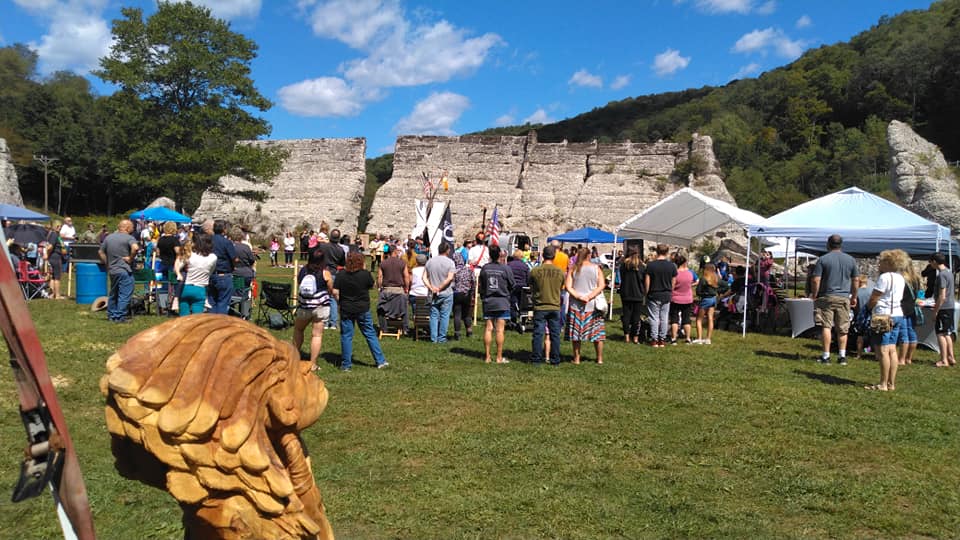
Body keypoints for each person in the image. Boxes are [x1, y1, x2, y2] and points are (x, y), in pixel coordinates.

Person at [334, 252, 389, 371]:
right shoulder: (365, 274)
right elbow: (372, 285)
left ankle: (346, 365)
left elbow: (335, 291)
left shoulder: (341, 274)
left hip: (346, 308)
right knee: (369, 334)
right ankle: (380, 361)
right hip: (362, 308)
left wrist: (339, 301)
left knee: (346, 336)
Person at [809, 234, 859, 364]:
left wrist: (814, 294)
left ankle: (826, 355)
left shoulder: (823, 259)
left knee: (826, 325)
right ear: (841, 244)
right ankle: (842, 356)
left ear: (828, 244)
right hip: (843, 297)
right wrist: (854, 296)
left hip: (827, 296)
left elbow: (816, 279)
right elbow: (856, 280)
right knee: (843, 327)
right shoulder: (851, 260)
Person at [865, 249, 908, 391]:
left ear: (888, 263)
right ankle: (891, 383)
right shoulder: (901, 278)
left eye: (881, 261)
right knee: (892, 350)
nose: (879, 264)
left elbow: (874, 297)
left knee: (883, 350)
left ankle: (883, 383)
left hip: (883, 315)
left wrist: (868, 308)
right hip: (897, 314)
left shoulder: (885, 277)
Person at [293, 249, 334, 368]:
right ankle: (313, 363)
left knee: (298, 330)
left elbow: (299, 283)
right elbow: (330, 287)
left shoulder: (303, 270)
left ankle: (294, 356)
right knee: (316, 335)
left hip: (305, 306)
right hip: (320, 307)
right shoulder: (325, 272)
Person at [565, 247, 606, 364]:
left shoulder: (573, 268)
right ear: (589, 255)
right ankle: (599, 359)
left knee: (576, 334)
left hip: (576, 305)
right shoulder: (596, 268)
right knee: (597, 334)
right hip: (593, 305)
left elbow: (568, 286)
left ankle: (577, 358)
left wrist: (578, 297)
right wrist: (590, 296)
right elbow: (601, 285)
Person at [478, 244, 515, 363]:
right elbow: (512, 284)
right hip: (502, 301)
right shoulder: (505, 269)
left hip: (489, 300)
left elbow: (481, 285)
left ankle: (487, 356)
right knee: (500, 330)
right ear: (500, 254)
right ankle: (499, 357)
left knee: (488, 328)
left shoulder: (485, 268)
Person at [530, 244, 565, 364]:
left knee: (538, 334)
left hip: (540, 305)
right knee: (555, 334)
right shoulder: (560, 272)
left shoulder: (535, 271)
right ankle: (555, 359)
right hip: (554, 305)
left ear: (542, 255)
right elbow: (561, 287)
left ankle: (536, 359)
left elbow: (530, 286)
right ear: (554, 256)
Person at [99, 219, 139, 322]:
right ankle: (119, 316)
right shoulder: (129, 238)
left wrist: (107, 263)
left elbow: (100, 252)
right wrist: (130, 258)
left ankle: (111, 314)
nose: (133, 229)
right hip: (124, 269)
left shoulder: (109, 238)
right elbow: (135, 248)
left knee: (113, 293)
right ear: (127, 228)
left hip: (112, 270)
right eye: (132, 227)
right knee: (125, 294)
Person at [644, 244, 677, 347]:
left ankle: (654, 339)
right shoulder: (672, 266)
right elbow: (674, 281)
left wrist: (646, 293)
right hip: (666, 293)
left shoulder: (651, 265)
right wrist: (670, 291)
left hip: (654, 293)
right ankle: (662, 339)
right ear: (667, 252)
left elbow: (647, 281)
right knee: (664, 317)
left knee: (654, 317)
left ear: (657, 252)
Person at [423, 242, 456, 343]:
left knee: (433, 315)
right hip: (446, 292)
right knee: (444, 315)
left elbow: (424, 277)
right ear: (447, 250)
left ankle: (433, 338)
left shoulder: (430, 262)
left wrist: (431, 287)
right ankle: (441, 338)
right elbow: (450, 278)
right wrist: (440, 288)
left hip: (433, 292)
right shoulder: (450, 262)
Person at [176, 234, 216, 315]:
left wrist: (178, 273)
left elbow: (178, 266)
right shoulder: (213, 257)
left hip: (186, 287)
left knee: (183, 316)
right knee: (197, 318)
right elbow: (211, 272)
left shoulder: (190, 255)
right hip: (200, 288)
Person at [929, 253, 956, 367]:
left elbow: (942, 295)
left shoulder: (942, 276)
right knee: (947, 333)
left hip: (943, 307)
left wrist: (935, 311)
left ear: (934, 261)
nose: (930, 264)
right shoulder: (949, 272)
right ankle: (951, 357)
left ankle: (944, 360)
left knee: (940, 334)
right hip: (950, 306)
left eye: (930, 262)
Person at [377, 243, 410, 334]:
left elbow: (380, 277)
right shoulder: (402, 263)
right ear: (395, 251)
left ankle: (383, 328)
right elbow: (406, 277)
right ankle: (405, 328)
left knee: (380, 309)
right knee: (404, 309)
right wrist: (406, 288)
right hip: (399, 290)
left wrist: (380, 288)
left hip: (386, 290)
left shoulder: (383, 263)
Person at [315, 230, 346, 330]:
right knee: (332, 298)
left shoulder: (323, 246)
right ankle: (333, 323)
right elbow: (342, 263)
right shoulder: (340, 250)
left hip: (322, 272)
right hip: (333, 272)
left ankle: (323, 321)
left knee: (322, 296)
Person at [207, 220, 237, 315]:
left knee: (212, 302)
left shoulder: (208, 241)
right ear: (224, 229)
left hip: (210, 274)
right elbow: (234, 258)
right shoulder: (226, 242)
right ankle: (220, 324)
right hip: (223, 274)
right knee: (223, 303)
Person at [618, 247, 645, 344]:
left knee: (626, 315)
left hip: (626, 292)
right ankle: (635, 337)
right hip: (638, 293)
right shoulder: (641, 266)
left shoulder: (624, 265)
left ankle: (626, 337)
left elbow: (621, 277)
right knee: (636, 317)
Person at [669, 253, 697, 345]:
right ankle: (688, 338)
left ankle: (673, 338)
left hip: (676, 298)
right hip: (687, 298)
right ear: (685, 263)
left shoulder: (675, 273)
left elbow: (672, 286)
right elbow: (694, 282)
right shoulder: (690, 273)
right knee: (686, 319)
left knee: (674, 319)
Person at [898, 263, 921, 365]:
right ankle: (909, 358)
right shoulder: (916, 279)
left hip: (902, 308)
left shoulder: (902, 280)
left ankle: (902, 359)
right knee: (911, 333)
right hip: (912, 308)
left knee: (904, 334)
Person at [156, 221, 181, 314]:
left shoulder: (161, 239)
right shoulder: (174, 240)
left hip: (163, 264)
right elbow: (177, 251)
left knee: (163, 286)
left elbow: (158, 252)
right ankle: (173, 305)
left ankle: (163, 305)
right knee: (175, 285)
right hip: (173, 264)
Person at [694, 263, 720, 344]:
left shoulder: (703, 279)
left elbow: (698, 291)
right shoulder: (715, 278)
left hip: (705, 299)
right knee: (710, 318)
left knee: (699, 319)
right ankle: (708, 339)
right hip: (713, 299)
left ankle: (699, 338)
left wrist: (701, 295)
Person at [451, 251, 475, 340]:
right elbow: (473, 282)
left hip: (456, 294)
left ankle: (457, 333)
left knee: (457, 314)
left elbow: (452, 283)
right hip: (466, 294)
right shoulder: (469, 270)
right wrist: (472, 293)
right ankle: (469, 331)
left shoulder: (453, 271)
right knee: (467, 313)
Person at [43, 219, 67, 299]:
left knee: (53, 277)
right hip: (55, 257)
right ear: (56, 226)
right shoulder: (54, 235)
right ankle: (57, 295)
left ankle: (52, 294)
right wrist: (46, 253)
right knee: (57, 277)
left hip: (53, 257)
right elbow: (50, 246)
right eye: (60, 226)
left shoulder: (53, 234)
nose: (60, 228)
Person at [507, 249, 530, 327]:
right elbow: (528, 277)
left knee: (512, 303)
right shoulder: (525, 265)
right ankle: (522, 319)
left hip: (512, 286)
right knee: (522, 304)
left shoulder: (509, 264)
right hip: (523, 287)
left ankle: (513, 320)